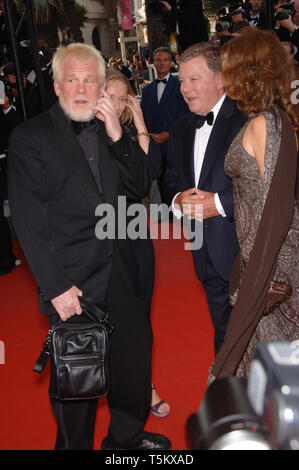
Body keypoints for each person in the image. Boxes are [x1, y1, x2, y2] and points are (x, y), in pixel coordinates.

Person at [7, 43, 171, 451]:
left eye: (89, 80)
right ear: (58, 85)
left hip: (124, 268)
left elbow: (138, 187)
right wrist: (55, 287)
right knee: (76, 380)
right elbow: (29, 222)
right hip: (73, 282)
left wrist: (119, 135)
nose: (81, 89)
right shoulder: (30, 137)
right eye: (72, 80)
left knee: (133, 364)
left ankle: (126, 439)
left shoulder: (111, 128)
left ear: (101, 85)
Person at [208, 28, 299, 383]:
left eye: (228, 68)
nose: (224, 77)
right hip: (266, 264)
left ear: (249, 71)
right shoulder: (274, 118)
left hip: (274, 271)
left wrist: (256, 286)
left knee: (274, 378)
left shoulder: (267, 124)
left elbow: (273, 212)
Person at [164, 42, 246, 355]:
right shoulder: (180, 128)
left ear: (220, 79)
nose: (185, 89)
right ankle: (230, 396)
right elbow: (171, 178)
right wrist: (177, 201)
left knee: (259, 339)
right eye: (181, 80)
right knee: (224, 337)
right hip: (206, 256)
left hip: (247, 253)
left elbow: (267, 184)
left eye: (193, 79)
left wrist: (219, 204)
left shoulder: (247, 119)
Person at [104, 68, 170, 418]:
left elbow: (147, 175)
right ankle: (115, 382)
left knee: (141, 316)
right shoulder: (91, 141)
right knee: (113, 320)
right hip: (105, 239)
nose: (116, 105)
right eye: (110, 97)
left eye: (122, 98)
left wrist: (140, 118)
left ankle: (145, 385)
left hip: (136, 233)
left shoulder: (127, 136)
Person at [140, 46, 189, 203]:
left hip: (173, 146)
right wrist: (148, 136)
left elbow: (185, 114)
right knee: (157, 188)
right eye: (158, 60)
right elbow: (143, 116)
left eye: (165, 60)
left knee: (174, 187)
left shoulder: (180, 86)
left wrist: (169, 134)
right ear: (153, 63)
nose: (161, 63)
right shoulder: (147, 90)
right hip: (153, 147)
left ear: (171, 62)